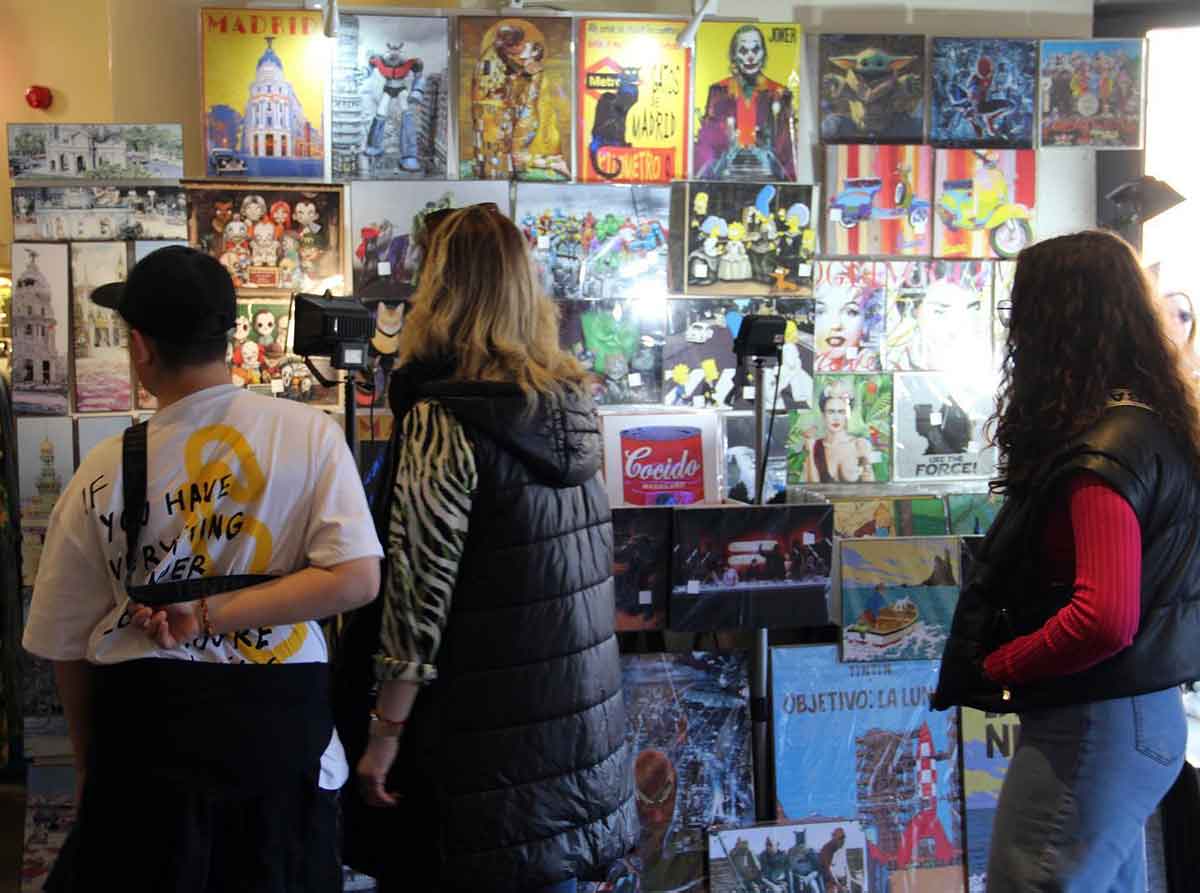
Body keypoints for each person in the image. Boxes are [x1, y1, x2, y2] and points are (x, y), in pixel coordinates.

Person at [21, 245, 382, 890]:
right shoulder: (310, 434)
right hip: (280, 736)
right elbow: (356, 577)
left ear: (139, 348)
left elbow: (63, 642)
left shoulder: (103, 469)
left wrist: (87, 766)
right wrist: (218, 615)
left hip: (147, 743)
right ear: (228, 333)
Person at [354, 204, 636, 891]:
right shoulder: (571, 408)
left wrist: (384, 732)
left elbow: (417, 600)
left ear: (437, 292)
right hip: (581, 764)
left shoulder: (444, 417)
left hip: (485, 771)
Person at [933, 230, 1200, 891]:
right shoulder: (1152, 426)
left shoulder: (1105, 452)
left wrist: (1001, 665)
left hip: (1097, 720)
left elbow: (1104, 617)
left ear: (1055, 320)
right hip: (1131, 713)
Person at [694, 24, 796, 180]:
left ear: (764, 54)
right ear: (734, 56)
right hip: (727, 178)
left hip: (767, 178)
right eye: (743, 51)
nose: (750, 56)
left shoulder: (780, 93)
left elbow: (786, 151)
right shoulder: (719, 91)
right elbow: (709, 144)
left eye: (756, 50)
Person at [802, 381, 876, 483]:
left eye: (841, 412)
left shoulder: (860, 445)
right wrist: (810, 451)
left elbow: (870, 485)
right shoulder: (814, 445)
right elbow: (812, 486)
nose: (836, 418)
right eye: (831, 412)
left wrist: (868, 474)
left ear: (847, 415)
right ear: (823, 415)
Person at [814, 278, 883, 372]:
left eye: (850, 312)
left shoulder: (870, 365)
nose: (835, 325)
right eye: (821, 311)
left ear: (867, 317)